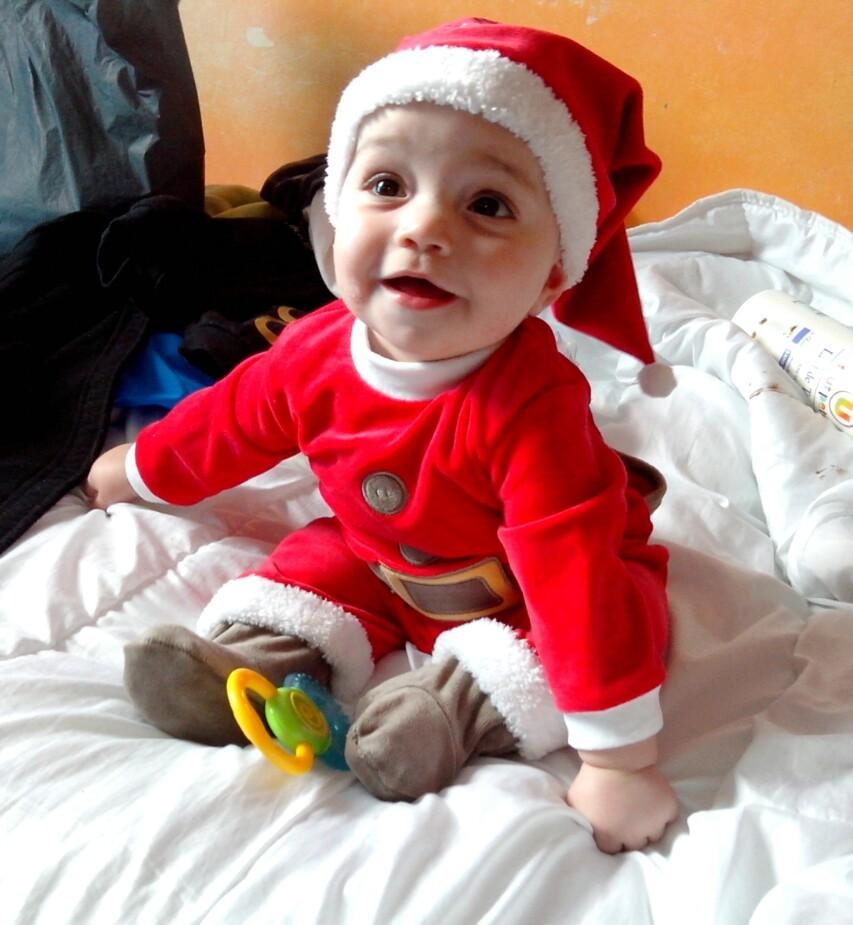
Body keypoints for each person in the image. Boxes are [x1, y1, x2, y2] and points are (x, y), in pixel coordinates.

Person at [85, 17, 678, 853]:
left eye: (487, 204)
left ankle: (444, 713)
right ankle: (255, 660)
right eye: (388, 185)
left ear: (554, 272)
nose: (424, 228)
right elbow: (229, 422)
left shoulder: (532, 409)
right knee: (311, 559)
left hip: (522, 584)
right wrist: (140, 468)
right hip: (381, 556)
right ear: (335, 208)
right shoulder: (315, 351)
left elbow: (572, 573)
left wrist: (619, 761)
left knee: (565, 637)